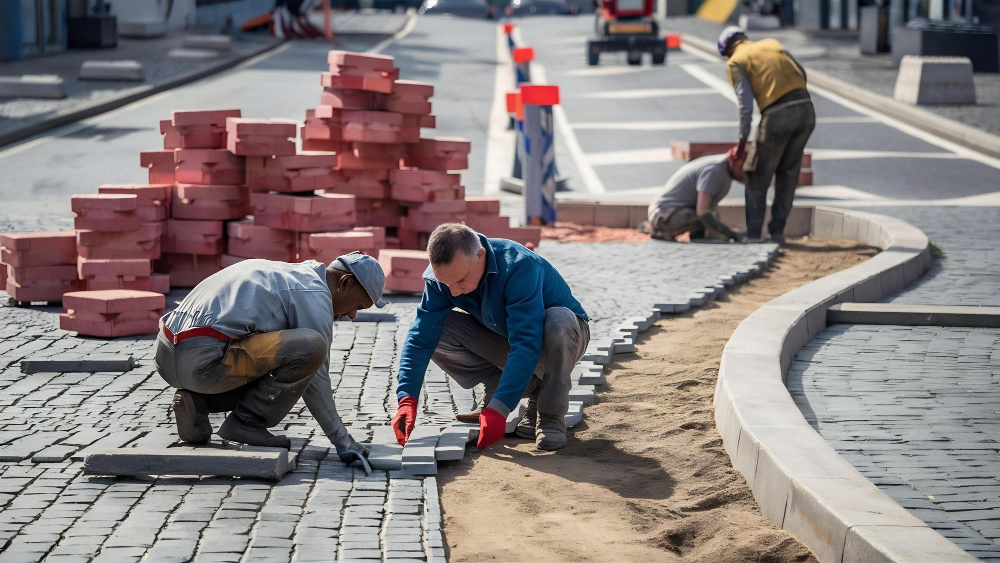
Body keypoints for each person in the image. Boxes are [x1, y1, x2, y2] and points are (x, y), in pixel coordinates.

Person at [154, 252, 384, 470]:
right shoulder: (314, 294)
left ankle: (197, 402)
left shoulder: (293, 274)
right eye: (358, 306)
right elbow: (317, 379)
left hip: (166, 353)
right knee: (311, 347)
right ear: (345, 282)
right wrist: (343, 442)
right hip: (201, 359)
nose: (352, 315)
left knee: (273, 353)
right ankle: (247, 423)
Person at [390, 224, 590, 451]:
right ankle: (506, 388)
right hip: (507, 335)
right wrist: (407, 399)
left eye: (461, 281)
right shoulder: (447, 277)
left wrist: (500, 410)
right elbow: (420, 338)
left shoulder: (519, 266)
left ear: (480, 256)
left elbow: (526, 342)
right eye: (447, 284)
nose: (453, 292)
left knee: (558, 321)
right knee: (439, 328)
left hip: (563, 336)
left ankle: (550, 415)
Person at [718, 26, 815, 244]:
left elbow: (745, 107)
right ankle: (777, 232)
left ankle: (753, 235)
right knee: (787, 175)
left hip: (777, 115)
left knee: (756, 175)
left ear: (727, 50)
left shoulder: (736, 61)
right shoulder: (772, 43)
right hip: (807, 110)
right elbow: (801, 73)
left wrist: (742, 143)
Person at [642, 146, 747, 242]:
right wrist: (732, 235)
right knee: (705, 219)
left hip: (670, 212)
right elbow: (702, 212)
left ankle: (698, 240)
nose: (745, 172)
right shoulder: (716, 171)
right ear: (732, 161)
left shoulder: (722, 170)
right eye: (742, 166)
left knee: (712, 220)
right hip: (664, 216)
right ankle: (661, 232)